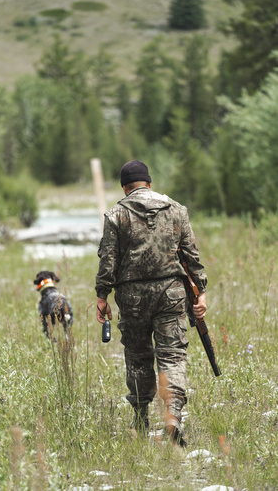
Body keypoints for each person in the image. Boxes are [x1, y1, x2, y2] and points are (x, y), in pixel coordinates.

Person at [95, 160, 207, 446]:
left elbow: (108, 261)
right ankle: (172, 415)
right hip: (171, 292)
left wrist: (102, 296)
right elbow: (191, 255)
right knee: (172, 355)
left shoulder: (116, 214)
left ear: (124, 187)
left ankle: (141, 417)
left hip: (132, 298)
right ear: (150, 183)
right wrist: (201, 290)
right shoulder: (177, 210)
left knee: (138, 356)